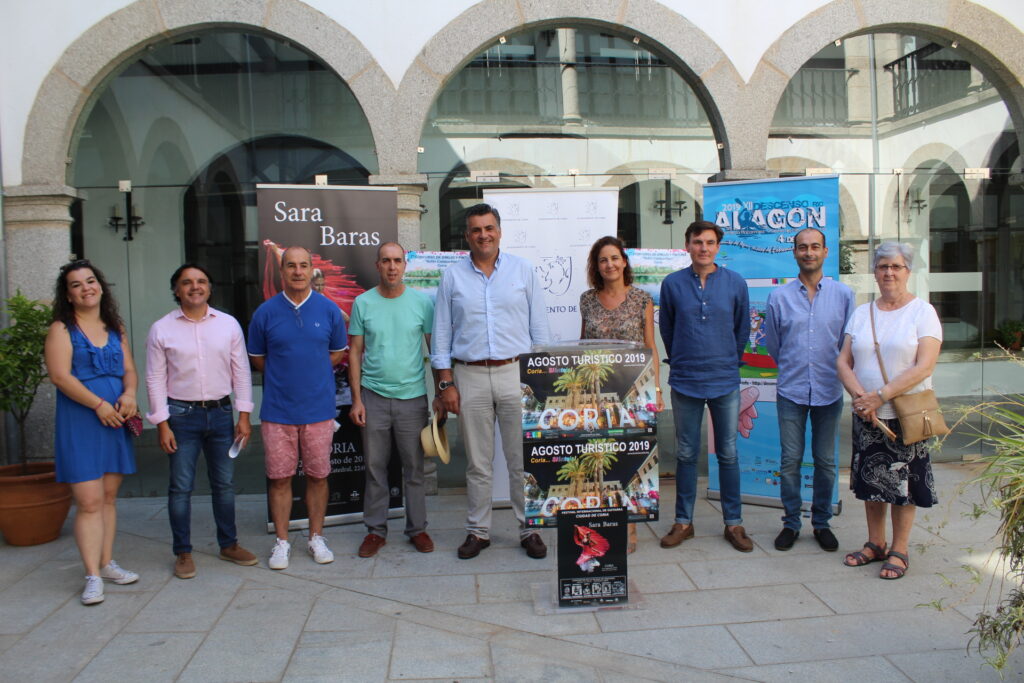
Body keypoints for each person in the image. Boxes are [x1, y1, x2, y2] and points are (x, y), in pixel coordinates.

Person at [431, 203, 551, 560]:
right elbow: (441, 333)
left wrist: (541, 379)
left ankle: (529, 529)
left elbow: (539, 329)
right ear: (467, 236)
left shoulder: (523, 270)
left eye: (489, 228)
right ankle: (478, 531)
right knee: (478, 464)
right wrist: (445, 384)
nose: (483, 235)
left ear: (499, 231)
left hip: (516, 374)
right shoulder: (452, 277)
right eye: (476, 230)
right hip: (469, 376)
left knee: (522, 461)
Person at [145, 263, 258, 579]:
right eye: (187, 282)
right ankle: (183, 552)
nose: (195, 287)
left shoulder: (228, 324)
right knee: (181, 487)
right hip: (181, 417)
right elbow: (154, 378)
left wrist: (244, 416)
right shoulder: (161, 329)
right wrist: (161, 423)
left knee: (224, 484)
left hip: (221, 414)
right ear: (176, 289)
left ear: (209, 287)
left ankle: (229, 544)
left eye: (201, 281)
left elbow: (241, 372)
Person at [837, 241, 941, 579]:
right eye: (883, 267)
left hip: (905, 416)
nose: (889, 273)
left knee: (904, 486)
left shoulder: (922, 312)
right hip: (868, 415)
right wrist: (861, 398)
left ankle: (900, 549)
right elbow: (843, 361)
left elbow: (924, 366)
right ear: (875, 272)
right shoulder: (862, 313)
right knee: (873, 482)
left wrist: (879, 396)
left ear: (908, 271)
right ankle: (875, 543)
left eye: (896, 266)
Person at [44, 260, 140, 605]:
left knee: (109, 498)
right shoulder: (61, 329)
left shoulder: (115, 327)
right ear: (68, 295)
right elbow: (60, 376)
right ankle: (92, 576)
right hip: (82, 422)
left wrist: (130, 394)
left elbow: (129, 370)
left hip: (115, 421)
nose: (86, 288)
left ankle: (107, 562)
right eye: (76, 284)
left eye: (90, 281)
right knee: (88, 502)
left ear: (100, 286)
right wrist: (98, 404)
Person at [248, 246, 347, 569]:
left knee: (318, 476)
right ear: (282, 271)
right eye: (291, 266)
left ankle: (316, 537)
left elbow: (336, 353)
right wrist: (286, 376)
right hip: (278, 411)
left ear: (311, 270)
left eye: (303, 265)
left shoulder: (328, 310)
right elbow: (258, 359)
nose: (298, 271)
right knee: (279, 479)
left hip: (318, 411)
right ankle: (282, 541)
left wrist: (311, 373)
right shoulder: (265, 313)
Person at [659, 220, 753, 552]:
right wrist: (683, 359)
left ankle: (734, 523)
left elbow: (742, 329)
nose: (704, 248)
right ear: (687, 246)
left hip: (724, 379)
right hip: (685, 380)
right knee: (686, 453)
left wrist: (726, 359)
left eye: (710, 242)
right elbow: (668, 329)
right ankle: (683, 522)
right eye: (698, 242)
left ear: (718, 247)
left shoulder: (735, 282)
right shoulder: (672, 284)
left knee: (728, 453)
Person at [763, 228, 854, 552]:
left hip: (829, 391)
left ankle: (821, 523)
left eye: (815, 246)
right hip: (792, 390)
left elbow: (847, 344)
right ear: (795, 253)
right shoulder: (779, 297)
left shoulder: (844, 295)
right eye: (803, 247)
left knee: (825, 461)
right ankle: (791, 523)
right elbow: (774, 345)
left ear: (825, 252)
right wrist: (794, 366)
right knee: (790, 461)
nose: (809, 252)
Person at [349, 242, 435, 557]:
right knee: (375, 468)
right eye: (386, 261)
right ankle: (375, 531)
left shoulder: (422, 303)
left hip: (412, 398)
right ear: (378, 265)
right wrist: (356, 400)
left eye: (397, 260)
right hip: (372, 396)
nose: (392, 266)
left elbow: (435, 350)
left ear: (405, 265)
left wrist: (441, 393)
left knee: (414, 468)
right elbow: (354, 353)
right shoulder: (363, 303)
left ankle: (417, 529)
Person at [579, 235, 664, 554]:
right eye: (603, 260)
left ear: (624, 262)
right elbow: (582, 345)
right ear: (596, 266)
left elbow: (650, 347)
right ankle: (602, 522)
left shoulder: (642, 299)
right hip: (596, 393)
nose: (609, 264)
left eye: (614, 258)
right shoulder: (587, 300)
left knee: (628, 461)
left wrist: (656, 390)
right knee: (598, 460)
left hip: (633, 393)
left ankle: (629, 526)